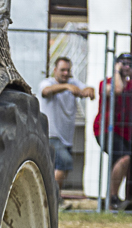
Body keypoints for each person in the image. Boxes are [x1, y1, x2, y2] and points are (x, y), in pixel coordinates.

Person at [94, 53, 132, 208]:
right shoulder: (105, 83)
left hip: (124, 132)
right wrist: (116, 72)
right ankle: (112, 197)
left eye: (130, 64)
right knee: (124, 158)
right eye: (123, 63)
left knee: (119, 162)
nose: (127, 67)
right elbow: (117, 89)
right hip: (105, 129)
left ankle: (111, 201)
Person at [38, 56, 95, 195]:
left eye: (68, 70)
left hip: (66, 137)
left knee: (59, 167)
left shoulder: (73, 82)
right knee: (65, 162)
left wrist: (89, 91)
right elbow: (46, 92)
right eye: (62, 70)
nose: (65, 73)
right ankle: (53, 197)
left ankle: (54, 197)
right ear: (55, 70)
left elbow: (88, 89)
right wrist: (67, 87)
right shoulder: (47, 82)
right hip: (50, 134)